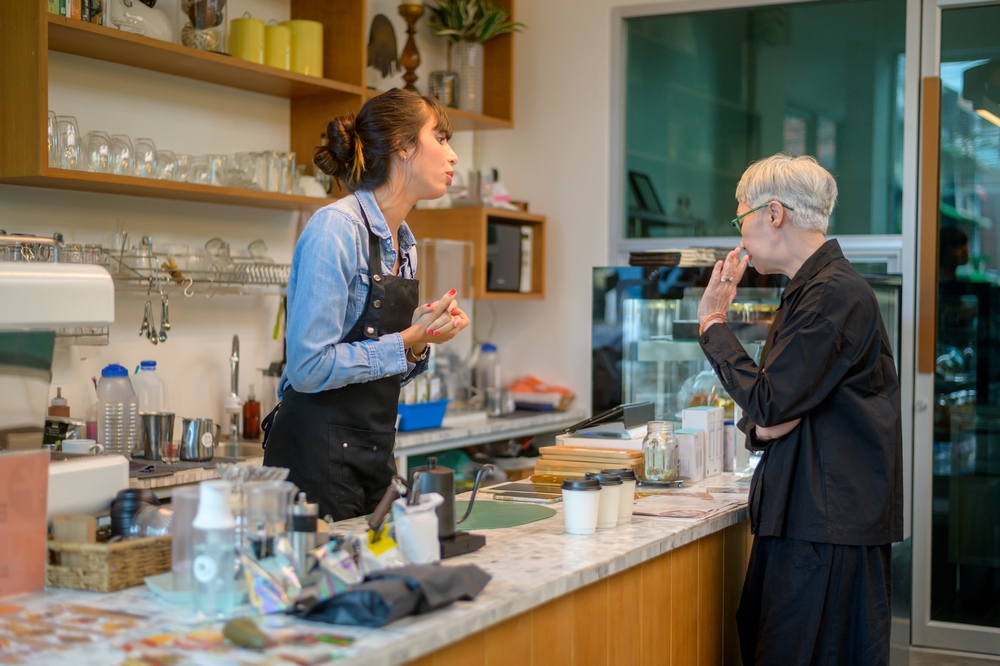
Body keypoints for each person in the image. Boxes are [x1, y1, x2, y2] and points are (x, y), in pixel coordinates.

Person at [696, 154, 902, 665]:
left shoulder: (831, 294)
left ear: (773, 213)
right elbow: (772, 408)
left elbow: (768, 400)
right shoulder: (810, 289)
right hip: (811, 519)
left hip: (825, 527)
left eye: (739, 217)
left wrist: (713, 325)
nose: (739, 235)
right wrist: (762, 424)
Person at [262, 89, 469, 521]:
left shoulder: (404, 243)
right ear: (403, 146)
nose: (453, 156)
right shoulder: (335, 229)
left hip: (373, 453)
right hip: (314, 458)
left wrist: (419, 341)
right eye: (441, 138)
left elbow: (380, 369)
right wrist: (404, 341)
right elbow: (309, 367)